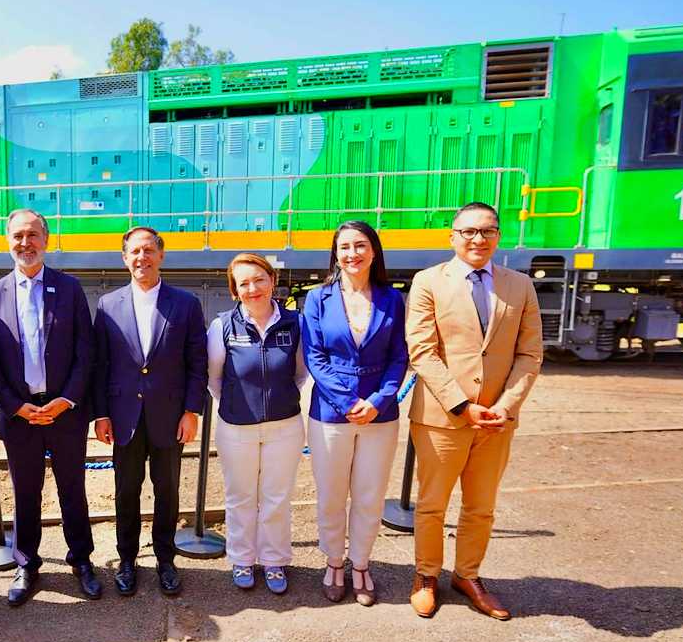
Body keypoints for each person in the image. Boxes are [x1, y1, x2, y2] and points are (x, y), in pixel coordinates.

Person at [405, 201, 543, 620]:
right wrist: (463, 405)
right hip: (442, 418)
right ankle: (426, 576)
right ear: (452, 236)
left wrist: (505, 405)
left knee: (481, 506)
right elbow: (423, 351)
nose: (478, 239)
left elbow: (530, 354)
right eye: (468, 231)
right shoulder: (428, 281)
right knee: (431, 505)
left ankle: (467, 575)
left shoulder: (520, 286)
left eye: (487, 231)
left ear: (499, 236)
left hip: (497, 422)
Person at [0, 209, 101, 606]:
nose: (25, 243)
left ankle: (81, 560)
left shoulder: (69, 289)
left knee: (72, 488)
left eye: (33, 235)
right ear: (7, 241)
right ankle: (27, 564)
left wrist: (67, 399)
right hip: (20, 415)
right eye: (17, 236)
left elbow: (86, 351)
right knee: (25, 491)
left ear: (46, 240)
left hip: (65, 410)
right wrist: (15, 406)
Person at [93, 226, 208, 596]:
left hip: (170, 417)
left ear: (161, 255)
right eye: (134, 252)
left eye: (148, 250)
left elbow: (197, 362)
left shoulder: (186, 303)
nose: (141, 258)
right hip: (124, 417)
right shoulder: (108, 305)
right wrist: (101, 414)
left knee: (167, 490)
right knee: (126, 490)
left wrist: (191, 410)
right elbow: (102, 366)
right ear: (124, 259)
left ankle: (165, 558)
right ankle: (127, 559)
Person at [301, 221, 408, 607]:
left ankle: (361, 564)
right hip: (331, 413)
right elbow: (315, 356)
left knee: (369, 495)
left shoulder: (392, 299)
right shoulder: (317, 299)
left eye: (360, 245)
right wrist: (348, 402)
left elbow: (400, 356)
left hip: (381, 414)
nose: (352, 254)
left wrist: (379, 399)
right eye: (344, 247)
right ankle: (333, 562)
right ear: (335, 253)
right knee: (331, 495)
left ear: (374, 251)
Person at [207, 253, 307, 594]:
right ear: (235, 291)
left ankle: (275, 560)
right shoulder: (223, 326)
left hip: (285, 426)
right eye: (244, 283)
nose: (253, 289)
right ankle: (242, 559)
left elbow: (301, 373)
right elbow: (214, 377)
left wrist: (277, 399)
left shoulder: (295, 324)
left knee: (277, 497)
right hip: (236, 427)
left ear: (272, 282)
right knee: (240, 497)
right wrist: (239, 405)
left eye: (259, 280)